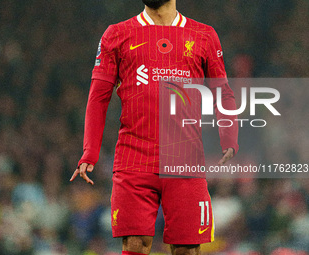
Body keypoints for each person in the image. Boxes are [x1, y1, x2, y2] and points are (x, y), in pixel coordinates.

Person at [70, 0, 239, 254]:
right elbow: (98, 96)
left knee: (187, 248)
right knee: (135, 245)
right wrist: (90, 151)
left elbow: (222, 91)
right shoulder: (117, 34)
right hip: (134, 158)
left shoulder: (204, 35)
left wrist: (229, 137)